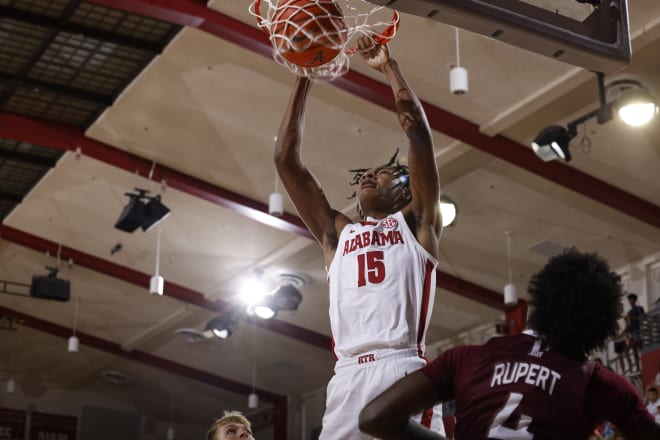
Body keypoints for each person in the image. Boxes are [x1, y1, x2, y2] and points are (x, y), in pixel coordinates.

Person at [274, 35, 444, 439]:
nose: (369, 175)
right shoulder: (337, 233)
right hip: (347, 374)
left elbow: (417, 131)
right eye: (365, 174)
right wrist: (305, 74)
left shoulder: (417, 222)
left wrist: (389, 66)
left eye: (383, 173)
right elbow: (285, 159)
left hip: (400, 365)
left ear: (405, 190)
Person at [358, 248, 660, 440]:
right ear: (601, 328)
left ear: (534, 309)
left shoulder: (467, 358)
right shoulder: (602, 384)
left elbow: (374, 418)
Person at [619, 293, 645, 373]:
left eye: (631, 299)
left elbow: (641, 319)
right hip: (632, 335)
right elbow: (628, 326)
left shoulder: (639, 308)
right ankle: (634, 369)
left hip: (639, 333)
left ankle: (639, 367)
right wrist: (626, 320)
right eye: (629, 300)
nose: (630, 301)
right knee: (633, 352)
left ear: (634, 300)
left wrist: (630, 317)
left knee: (639, 351)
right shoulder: (629, 312)